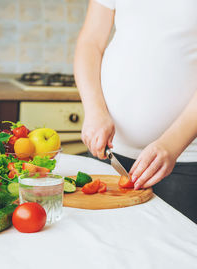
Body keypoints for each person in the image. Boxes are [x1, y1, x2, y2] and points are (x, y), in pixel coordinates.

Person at [74, 0, 197, 223]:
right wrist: (94, 111)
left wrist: (172, 144)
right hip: (110, 153)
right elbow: (90, 42)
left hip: (186, 162)